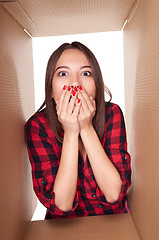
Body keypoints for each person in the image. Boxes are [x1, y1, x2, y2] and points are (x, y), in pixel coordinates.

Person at [24, 41, 132, 220]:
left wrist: (86, 127)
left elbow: (114, 194)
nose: (75, 83)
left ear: (96, 85)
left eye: (86, 73)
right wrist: (72, 132)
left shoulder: (112, 113)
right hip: (63, 231)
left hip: (115, 225)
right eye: (63, 73)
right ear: (50, 89)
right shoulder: (37, 126)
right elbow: (62, 205)